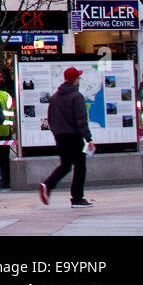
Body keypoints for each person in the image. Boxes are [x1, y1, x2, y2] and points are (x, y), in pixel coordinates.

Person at [39, 67, 95, 208]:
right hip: (74, 136)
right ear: (74, 79)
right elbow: (81, 120)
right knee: (80, 167)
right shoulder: (77, 96)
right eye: (78, 78)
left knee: (65, 165)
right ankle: (77, 198)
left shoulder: (55, 97)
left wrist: (57, 132)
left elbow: (50, 119)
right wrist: (88, 139)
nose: (79, 80)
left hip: (60, 136)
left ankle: (48, 184)